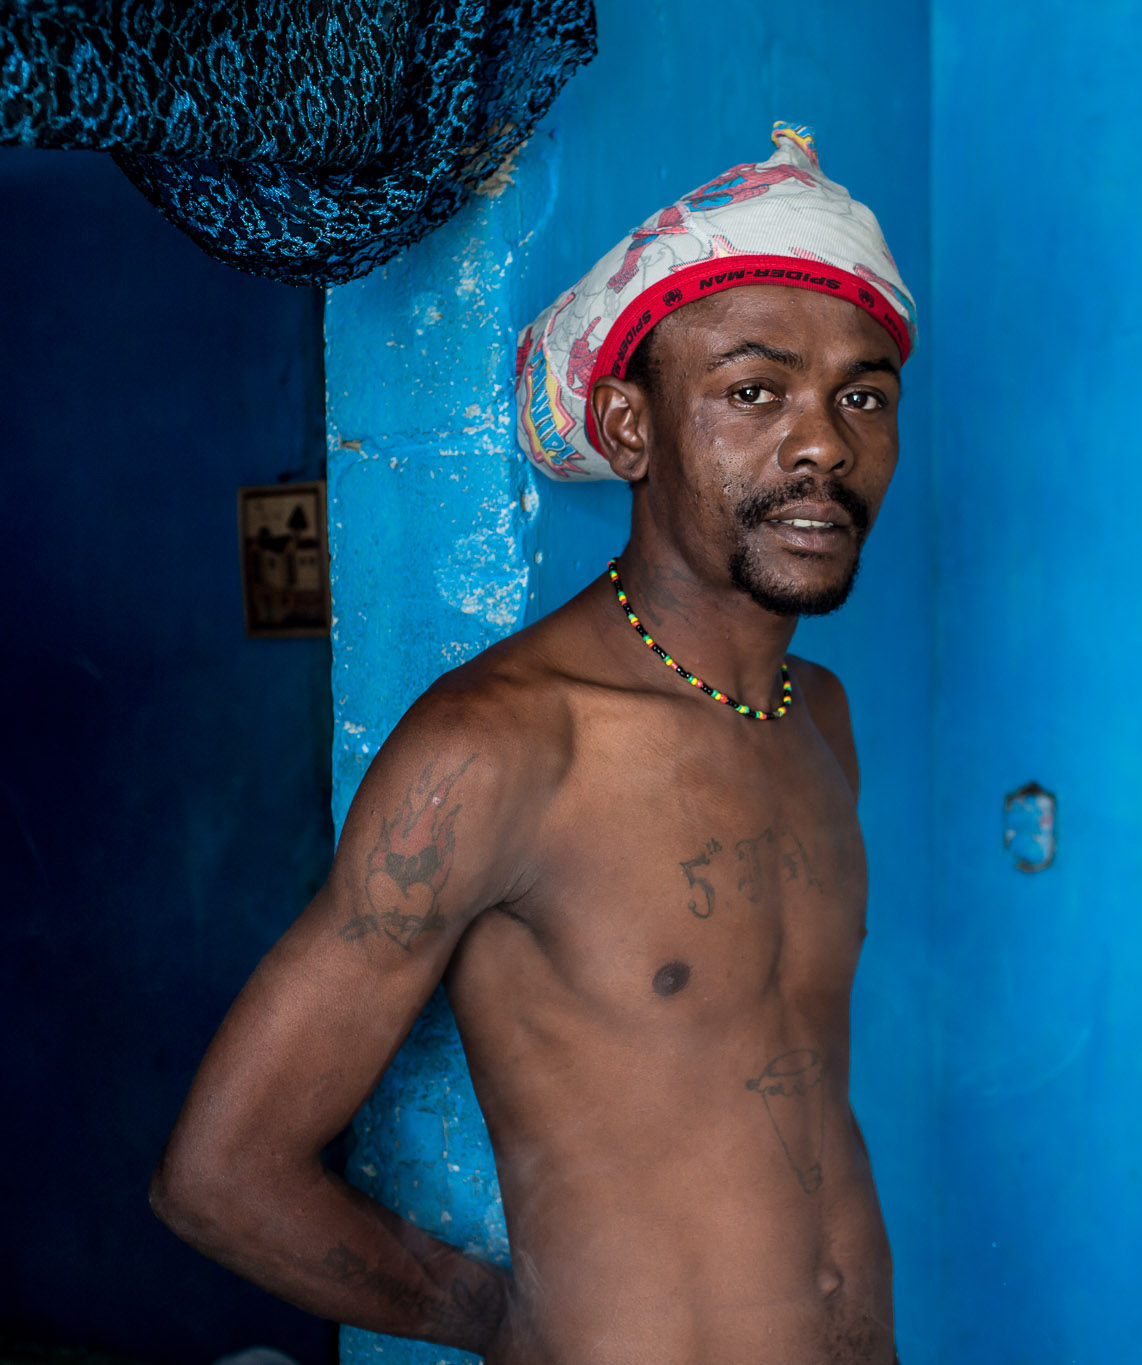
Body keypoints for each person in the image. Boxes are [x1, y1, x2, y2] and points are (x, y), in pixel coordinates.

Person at [151, 122, 916, 1365]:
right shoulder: (500, 749)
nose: (823, 442)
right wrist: (495, 1317)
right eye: (752, 391)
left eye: (862, 397)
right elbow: (221, 1174)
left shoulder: (811, 716)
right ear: (627, 431)